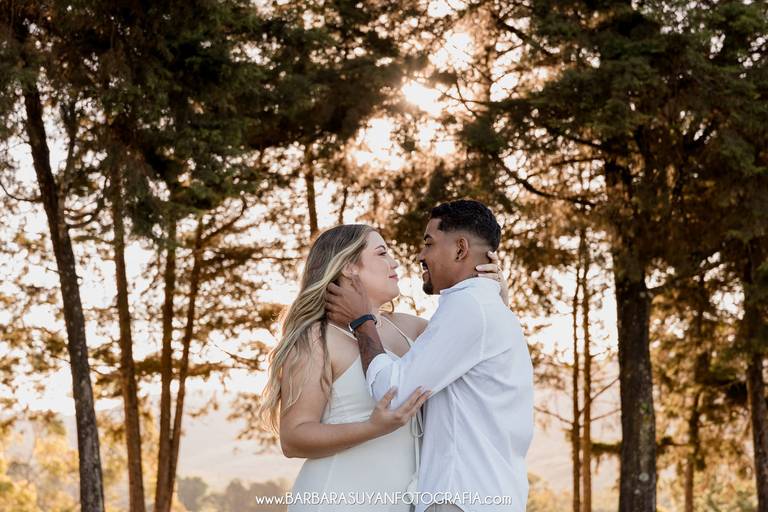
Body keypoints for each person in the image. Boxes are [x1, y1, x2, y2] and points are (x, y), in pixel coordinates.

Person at [258, 223, 508, 511]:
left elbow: (481, 341)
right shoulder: (317, 338)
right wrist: (372, 428)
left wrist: (498, 295)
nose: (395, 262)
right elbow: (294, 438)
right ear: (348, 267)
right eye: (381, 253)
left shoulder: (411, 329)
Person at [326, 200, 534, 512]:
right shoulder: (488, 309)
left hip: (458, 498)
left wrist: (361, 322)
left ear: (460, 249)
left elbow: (392, 396)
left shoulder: (469, 307)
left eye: (429, 243)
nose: (420, 256)